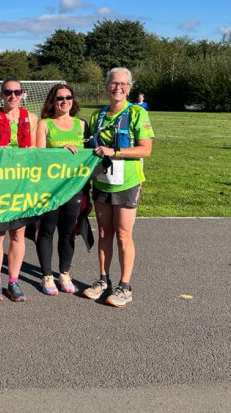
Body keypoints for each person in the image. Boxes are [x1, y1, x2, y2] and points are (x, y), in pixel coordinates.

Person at [83, 67, 154, 308]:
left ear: (129, 88)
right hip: (102, 182)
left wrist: (116, 152)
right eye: (114, 83)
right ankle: (104, 280)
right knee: (104, 233)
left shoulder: (136, 113)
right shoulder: (98, 116)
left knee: (123, 234)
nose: (118, 88)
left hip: (127, 183)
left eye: (123, 84)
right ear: (106, 86)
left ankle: (125, 286)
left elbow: (146, 149)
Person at [0, 77, 38, 302]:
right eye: (8, 92)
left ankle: (13, 280)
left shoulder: (31, 118)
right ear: (1, 94)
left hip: (21, 184)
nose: (13, 96)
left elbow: (38, 152)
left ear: (22, 94)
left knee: (18, 233)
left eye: (17, 92)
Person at [34, 84, 88, 295]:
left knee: (68, 233)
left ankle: (64, 272)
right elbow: (38, 154)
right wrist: (59, 150)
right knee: (47, 231)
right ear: (52, 101)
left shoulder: (82, 125)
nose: (64, 101)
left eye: (68, 97)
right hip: (51, 187)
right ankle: (46, 275)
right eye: (59, 98)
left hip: (75, 187)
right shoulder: (44, 124)